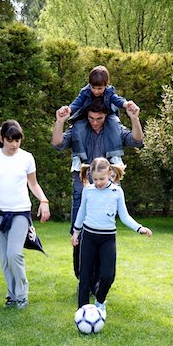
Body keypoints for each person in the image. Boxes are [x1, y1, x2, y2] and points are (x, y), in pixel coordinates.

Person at [52, 97, 144, 278]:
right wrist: (60, 122)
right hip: (83, 188)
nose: (94, 122)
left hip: (108, 191)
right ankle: (83, 278)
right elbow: (58, 143)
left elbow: (136, 141)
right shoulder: (77, 128)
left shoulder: (115, 127)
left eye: (99, 119)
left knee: (103, 233)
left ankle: (99, 279)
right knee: (79, 231)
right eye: (91, 118)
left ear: (106, 116)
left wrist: (134, 118)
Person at [0, 119, 50, 309]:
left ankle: (22, 295)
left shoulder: (27, 158)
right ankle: (12, 295)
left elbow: (33, 184)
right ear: (1, 138)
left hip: (20, 212)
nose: (14, 144)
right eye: (10, 140)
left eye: (18, 140)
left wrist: (44, 201)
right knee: (5, 258)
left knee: (14, 253)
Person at [72, 157, 152, 309]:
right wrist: (76, 232)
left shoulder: (117, 191)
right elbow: (81, 212)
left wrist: (139, 228)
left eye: (101, 178)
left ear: (110, 173)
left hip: (107, 239)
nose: (98, 182)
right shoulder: (88, 191)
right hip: (88, 237)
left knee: (108, 275)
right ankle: (82, 309)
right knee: (85, 276)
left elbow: (124, 216)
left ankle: (99, 300)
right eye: (95, 179)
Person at [58, 65, 138, 169]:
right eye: (93, 88)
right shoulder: (85, 92)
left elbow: (117, 100)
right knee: (79, 127)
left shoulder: (109, 92)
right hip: (85, 115)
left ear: (106, 85)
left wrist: (126, 104)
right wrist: (69, 109)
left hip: (107, 114)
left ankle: (114, 155)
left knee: (114, 124)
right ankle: (78, 157)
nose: (96, 91)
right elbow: (77, 102)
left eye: (99, 88)